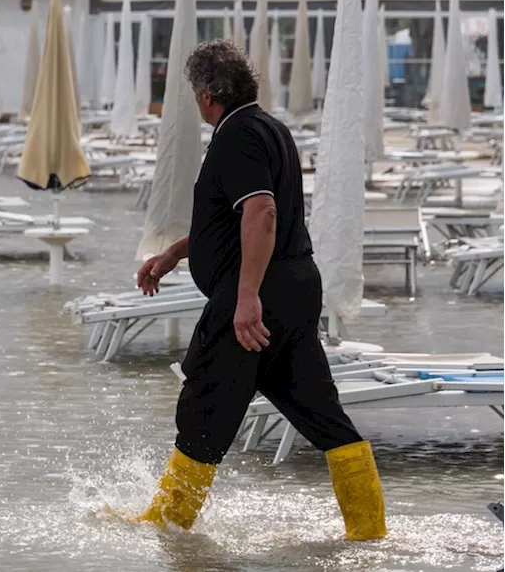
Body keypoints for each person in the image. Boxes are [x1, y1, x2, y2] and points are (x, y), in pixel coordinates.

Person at [133, 40, 386, 541]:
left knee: (204, 405)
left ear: (207, 94)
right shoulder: (271, 129)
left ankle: (167, 528)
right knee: (320, 412)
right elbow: (234, 221)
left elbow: (263, 212)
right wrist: (174, 254)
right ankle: (369, 529)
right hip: (294, 289)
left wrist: (247, 297)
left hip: (258, 296)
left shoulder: (237, 137)